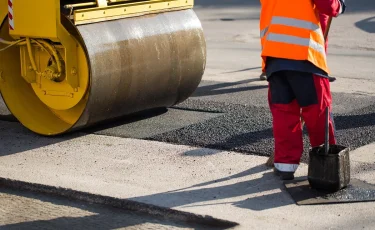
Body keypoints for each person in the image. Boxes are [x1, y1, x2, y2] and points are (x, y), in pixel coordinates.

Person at [259, 0, 346, 180]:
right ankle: (325, 167)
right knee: (318, 113)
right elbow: (327, 5)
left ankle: (284, 166)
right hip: (305, 55)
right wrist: (339, 4)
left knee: (284, 115)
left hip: (274, 56)